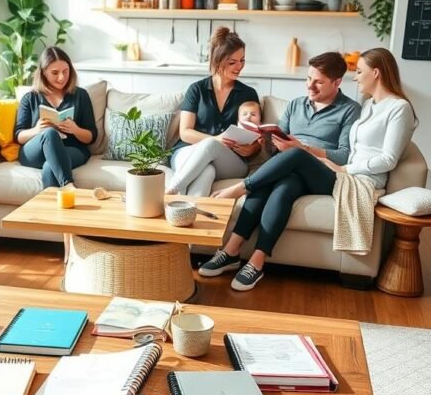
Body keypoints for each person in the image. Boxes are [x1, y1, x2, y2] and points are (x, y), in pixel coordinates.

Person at [199, 48, 416, 291]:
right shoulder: (367, 106)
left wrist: (311, 152)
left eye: (319, 82)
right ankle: (247, 258)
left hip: (340, 173)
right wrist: (267, 143)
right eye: (308, 79)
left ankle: (240, 189)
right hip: (297, 168)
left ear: (336, 83)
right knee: (284, 184)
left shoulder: (358, 109)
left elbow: (357, 154)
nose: (310, 86)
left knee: (295, 155)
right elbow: (275, 148)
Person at [165, 28, 260, 197]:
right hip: (187, 151)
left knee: (210, 146)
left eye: (242, 60)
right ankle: (189, 214)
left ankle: (171, 190)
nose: (239, 67)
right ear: (218, 61)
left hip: (230, 160)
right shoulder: (197, 89)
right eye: (232, 62)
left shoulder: (248, 94)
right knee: (206, 170)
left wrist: (251, 149)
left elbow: (257, 137)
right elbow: (185, 133)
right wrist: (217, 139)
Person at [15, 47, 97, 188]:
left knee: (50, 166)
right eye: (55, 73)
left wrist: (75, 129)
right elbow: (18, 136)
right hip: (35, 152)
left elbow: (91, 136)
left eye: (65, 71)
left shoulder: (81, 95)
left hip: (72, 149)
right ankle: (68, 185)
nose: (61, 77)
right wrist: (36, 130)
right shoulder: (30, 98)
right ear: (43, 73)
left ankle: (52, 209)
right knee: (49, 133)